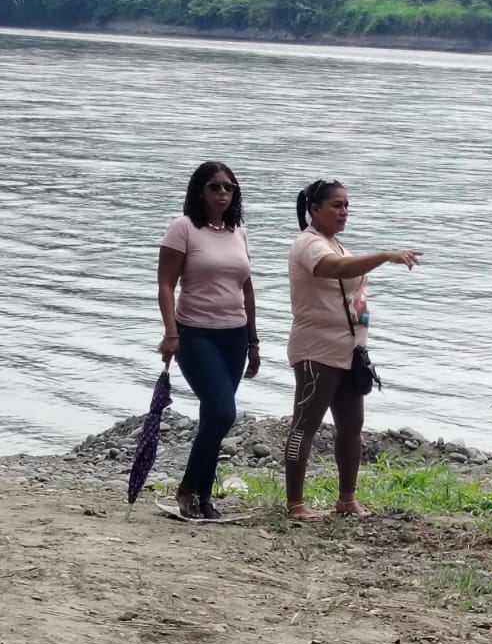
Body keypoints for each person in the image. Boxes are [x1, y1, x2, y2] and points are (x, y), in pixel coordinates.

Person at [283, 178, 422, 522]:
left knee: (352, 425)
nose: (344, 211)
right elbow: (336, 269)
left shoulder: (335, 244)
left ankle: (347, 499)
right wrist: (384, 256)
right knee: (305, 424)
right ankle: (295, 503)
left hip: (348, 351)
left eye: (346, 205)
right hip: (317, 350)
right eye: (336, 205)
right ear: (314, 210)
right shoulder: (309, 244)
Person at [157, 161, 260, 521]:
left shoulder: (238, 231)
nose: (223, 193)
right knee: (222, 412)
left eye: (229, 187)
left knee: (212, 418)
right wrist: (171, 333)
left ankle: (204, 496)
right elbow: (166, 285)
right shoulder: (183, 228)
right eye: (215, 186)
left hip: (234, 336)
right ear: (199, 191)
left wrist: (253, 342)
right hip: (195, 334)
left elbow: (247, 289)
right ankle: (187, 489)